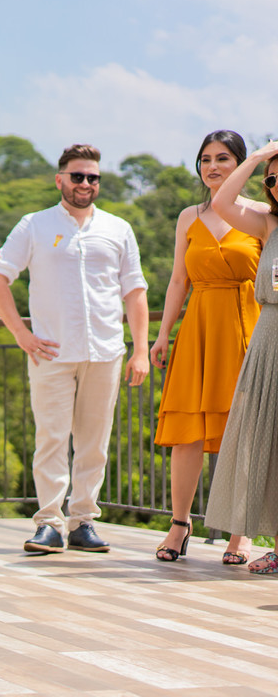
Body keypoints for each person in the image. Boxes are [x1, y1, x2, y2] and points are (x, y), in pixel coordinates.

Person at [0, 144, 149, 554]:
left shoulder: (118, 228)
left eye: (92, 177)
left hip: (105, 352)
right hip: (51, 353)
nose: (85, 184)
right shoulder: (34, 225)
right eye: (77, 176)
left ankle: (83, 522)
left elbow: (135, 292)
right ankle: (49, 523)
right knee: (52, 439)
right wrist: (21, 335)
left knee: (94, 442)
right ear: (60, 180)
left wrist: (141, 349)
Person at [151, 131, 260, 564]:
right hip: (197, 329)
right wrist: (162, 334)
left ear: (241, 165)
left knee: (244, 433)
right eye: (206, 159)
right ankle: (180, 524)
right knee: (187, 433)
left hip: (246, 329)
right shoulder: (187, 217)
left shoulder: (262, 215)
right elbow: (179, 280)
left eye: (224, 159)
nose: (213, 167)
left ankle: (241, 530)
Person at [203, 140, 278, 574]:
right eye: (272, 180)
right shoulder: (268, 224)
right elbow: (222, 201)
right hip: (269, 338)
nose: (277, 185)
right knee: (266, 444)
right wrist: (254, 159)